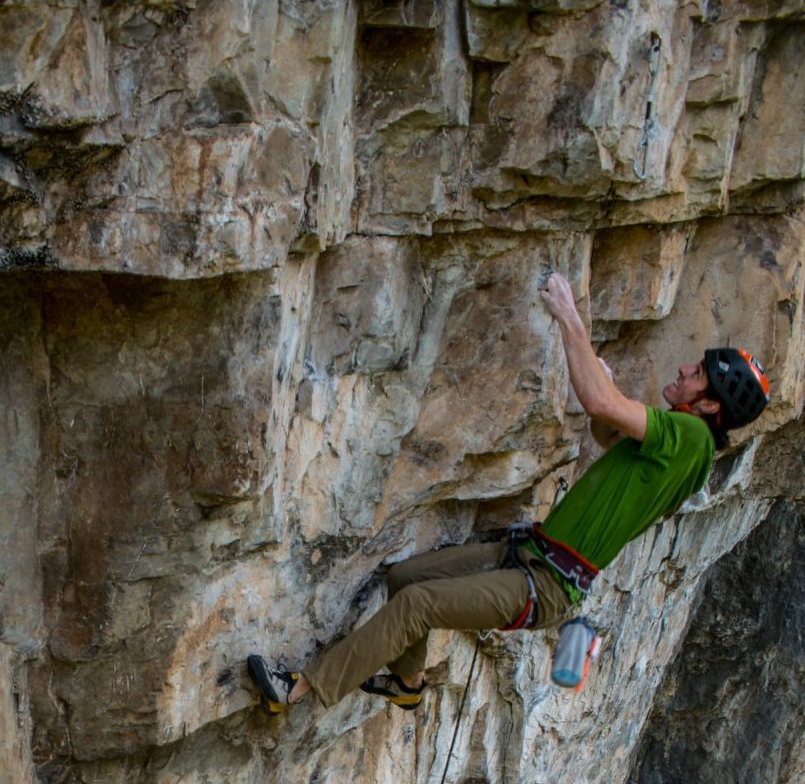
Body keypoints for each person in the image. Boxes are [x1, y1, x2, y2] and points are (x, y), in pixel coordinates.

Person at [248, 272, 770, 714]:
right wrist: (603, 394)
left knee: (417, 604)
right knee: (404, 576)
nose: (685, 369)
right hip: (528, 554)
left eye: (698, 374)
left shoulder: (691, 437)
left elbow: (600, 403)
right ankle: (407, 686)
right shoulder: (686, 446)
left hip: (543, 586)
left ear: (709, 407)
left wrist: (571, 320)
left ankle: (297, 689)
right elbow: (606, 429)